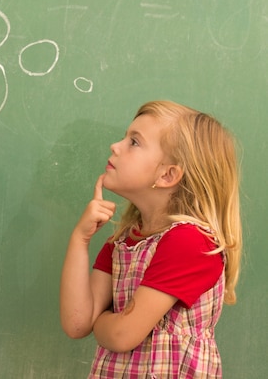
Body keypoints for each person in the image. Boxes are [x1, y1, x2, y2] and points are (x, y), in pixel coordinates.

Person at [59, 100, 242, 378]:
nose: (115, 146)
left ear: (167, 175)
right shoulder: (123, 242)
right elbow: (76, 323)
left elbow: (121, 335)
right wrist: (79, 240)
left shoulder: (190, 242)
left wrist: (102, 322)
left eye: (134, 142)